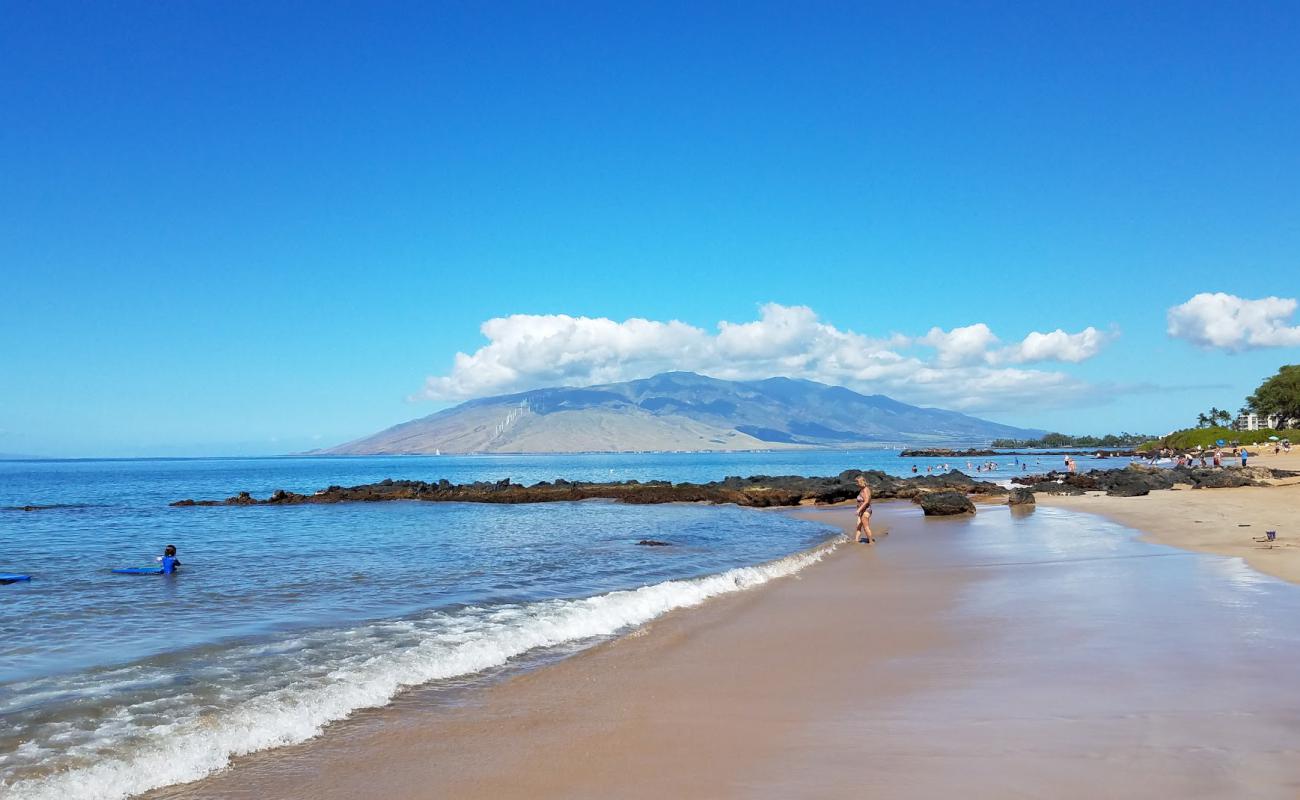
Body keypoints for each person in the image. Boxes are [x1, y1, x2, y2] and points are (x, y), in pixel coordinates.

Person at [854, 475, 874, 544]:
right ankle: (856, 540)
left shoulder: (865, 489)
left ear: (862, 482)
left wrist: (859, 509)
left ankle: (871, 542)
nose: (857, 484)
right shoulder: (862, 490)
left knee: (866, 527)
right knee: (858, 525)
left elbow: (866, 501)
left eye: (858, 482)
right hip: (861, 511)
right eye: (856, 482)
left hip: (866, 510)